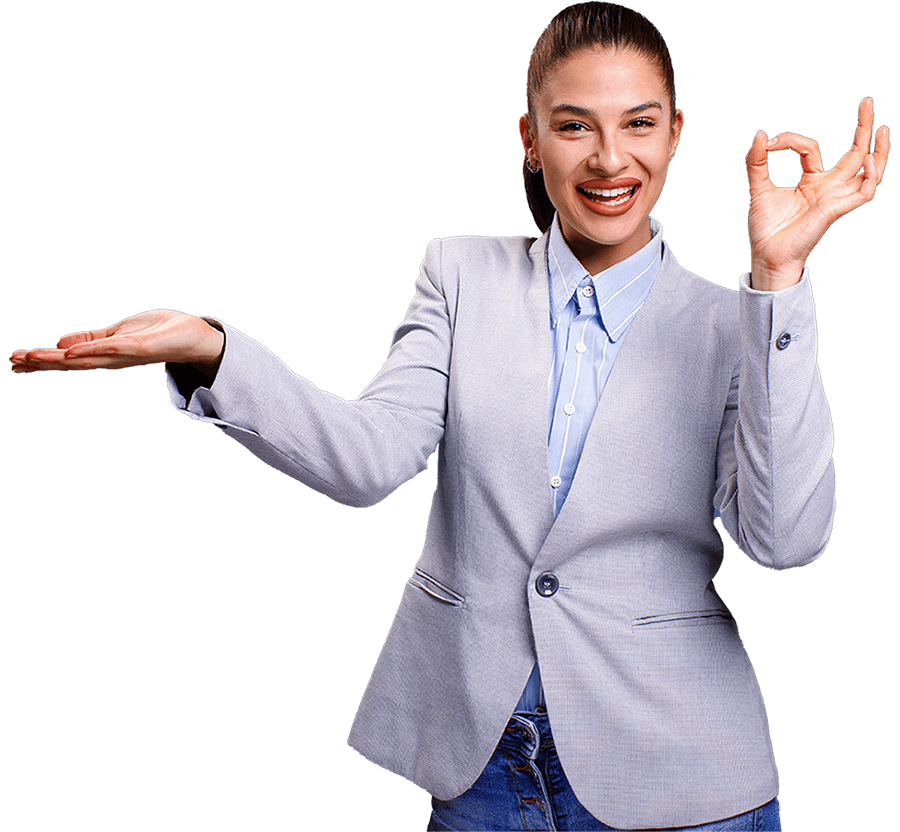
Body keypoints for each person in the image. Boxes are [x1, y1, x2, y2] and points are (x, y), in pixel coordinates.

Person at [9, 2, 889, 830]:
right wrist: (211, 349)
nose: (609, 158)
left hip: (681, 773)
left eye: (639, 123)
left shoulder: (735, 326)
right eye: (573, 125)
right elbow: (365, 460)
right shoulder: (459, 275)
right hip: (484, 768)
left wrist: (777, 284)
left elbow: (785, 540)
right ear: (531, 139)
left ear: (675, 133)